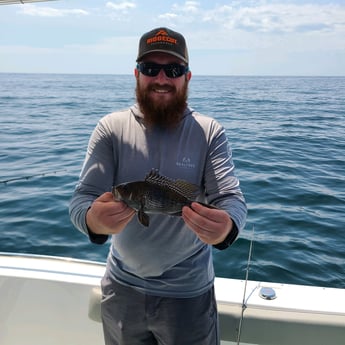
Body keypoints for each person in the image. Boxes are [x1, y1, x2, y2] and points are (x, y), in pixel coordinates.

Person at [69, 27, 247, 345]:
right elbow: (82, 199)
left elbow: (232, 199)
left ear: (187, 77)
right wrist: (93, 221)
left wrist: (226, 228)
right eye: (151, 69)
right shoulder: (110, 129)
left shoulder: (210, 132)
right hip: (120, 289)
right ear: (137, 74)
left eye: (174, 70)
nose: (162, 78)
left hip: (189, 296)